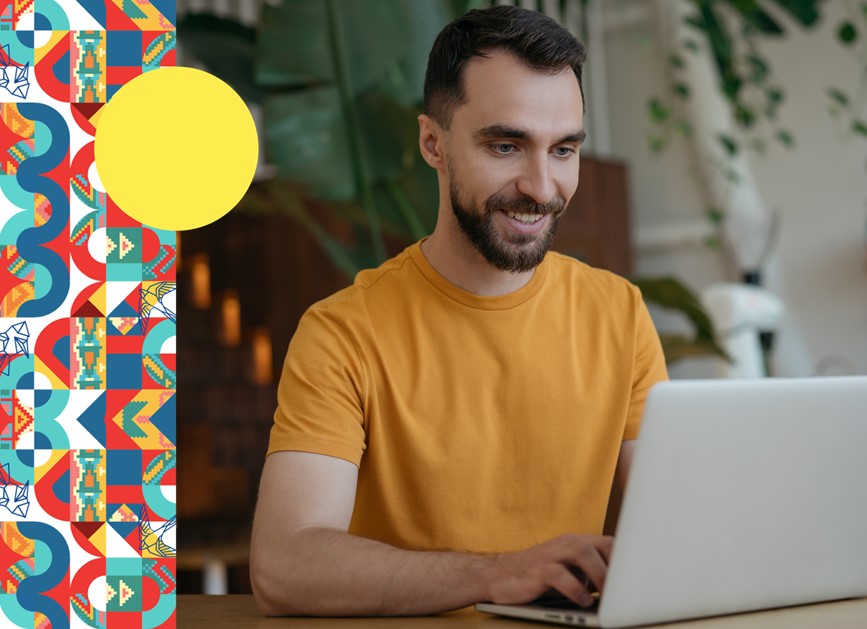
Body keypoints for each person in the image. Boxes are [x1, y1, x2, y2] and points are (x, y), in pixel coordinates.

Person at [250, 5, 668, 617]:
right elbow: (284, 566)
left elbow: (669, 526)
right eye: (506, 145)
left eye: (563, 150)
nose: (542, 186)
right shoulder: (342, 332)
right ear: (432, 143)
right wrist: (500, 574)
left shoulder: (618, 312)